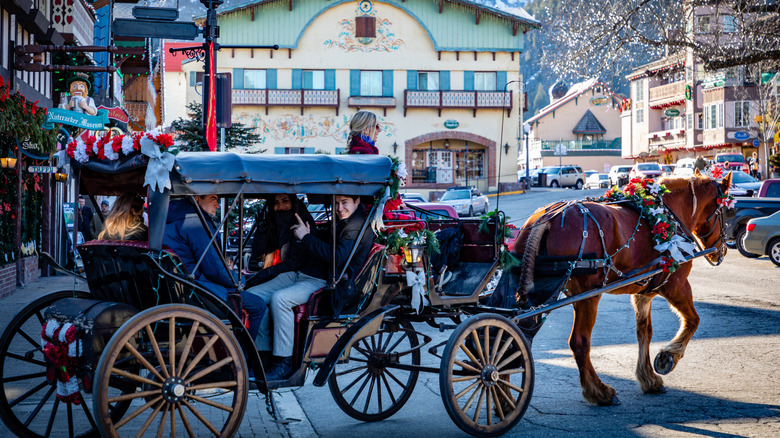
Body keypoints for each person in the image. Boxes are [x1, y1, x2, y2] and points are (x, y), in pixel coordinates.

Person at [246, 194, 374, 380]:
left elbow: (337, 257)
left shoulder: (356, 226)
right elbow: (323, 242)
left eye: (344, 203)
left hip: (322, 280)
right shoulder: (344, 221)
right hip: (302, 273)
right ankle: (262, 354)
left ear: (357, 201)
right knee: (253, 296)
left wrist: (306, 237)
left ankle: (283, 361)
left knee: (280, 299)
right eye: (336, 203)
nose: (339, 208)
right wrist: (310, 234)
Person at [163, 194, 266, 341]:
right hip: (197, 289)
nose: (217, 205)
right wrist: (239, 281)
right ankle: (246, 356)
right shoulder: (195, 223)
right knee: (258, 304)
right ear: (197, 198)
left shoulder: (170, 220)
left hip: (179, 284)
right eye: (213, 198)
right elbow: (214, 269)